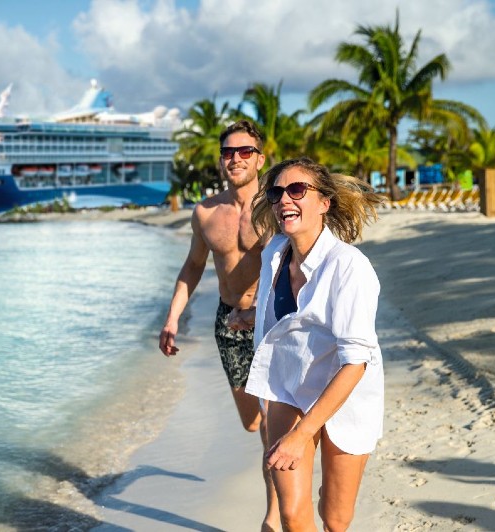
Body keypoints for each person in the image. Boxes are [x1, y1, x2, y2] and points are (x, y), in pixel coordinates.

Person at [244, 157, 385, 531]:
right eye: (276, 193)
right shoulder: (274, 253)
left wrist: (302, 434)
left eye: (297, 190)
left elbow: (356, 362)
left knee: (335, 519)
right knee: (291, 513)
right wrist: (248, 317)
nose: (284, 200)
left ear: (324, 202)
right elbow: (281, 317)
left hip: (345, 394)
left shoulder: (349, 267)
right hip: (289, 387)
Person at [159, 119, 280, 531]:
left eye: (245, 151)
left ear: (260, 158)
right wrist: (173, 317)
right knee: (253, 423)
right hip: (229, 325)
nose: (236, 159)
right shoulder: (206, 213)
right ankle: (282, 433)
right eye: (229, 152)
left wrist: (264, 311)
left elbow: (301, 268)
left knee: (270, 431)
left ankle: (273, 515)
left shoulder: (279, 207)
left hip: (273, 322)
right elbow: (193, 266)